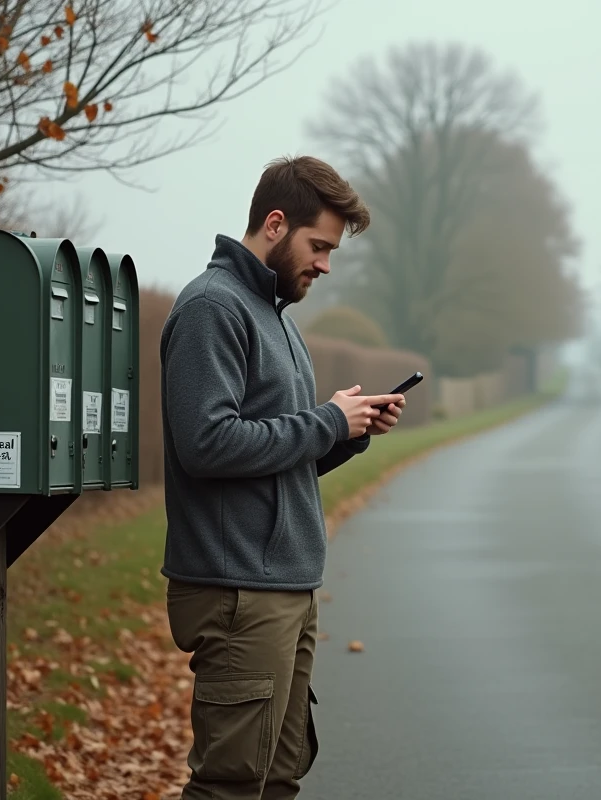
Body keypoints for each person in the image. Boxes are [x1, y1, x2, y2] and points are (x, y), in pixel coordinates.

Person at [158, 155, 405, 799]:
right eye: (319, 246)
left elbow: (277, 460)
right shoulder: (212, 308)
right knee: (231, 785)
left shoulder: (276, 319)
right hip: (237, 588)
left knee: (278, 778)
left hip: (285, 587)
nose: (325, 265)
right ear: (275, 224)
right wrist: (326, 421)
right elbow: (206, 444)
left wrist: (348, 433)